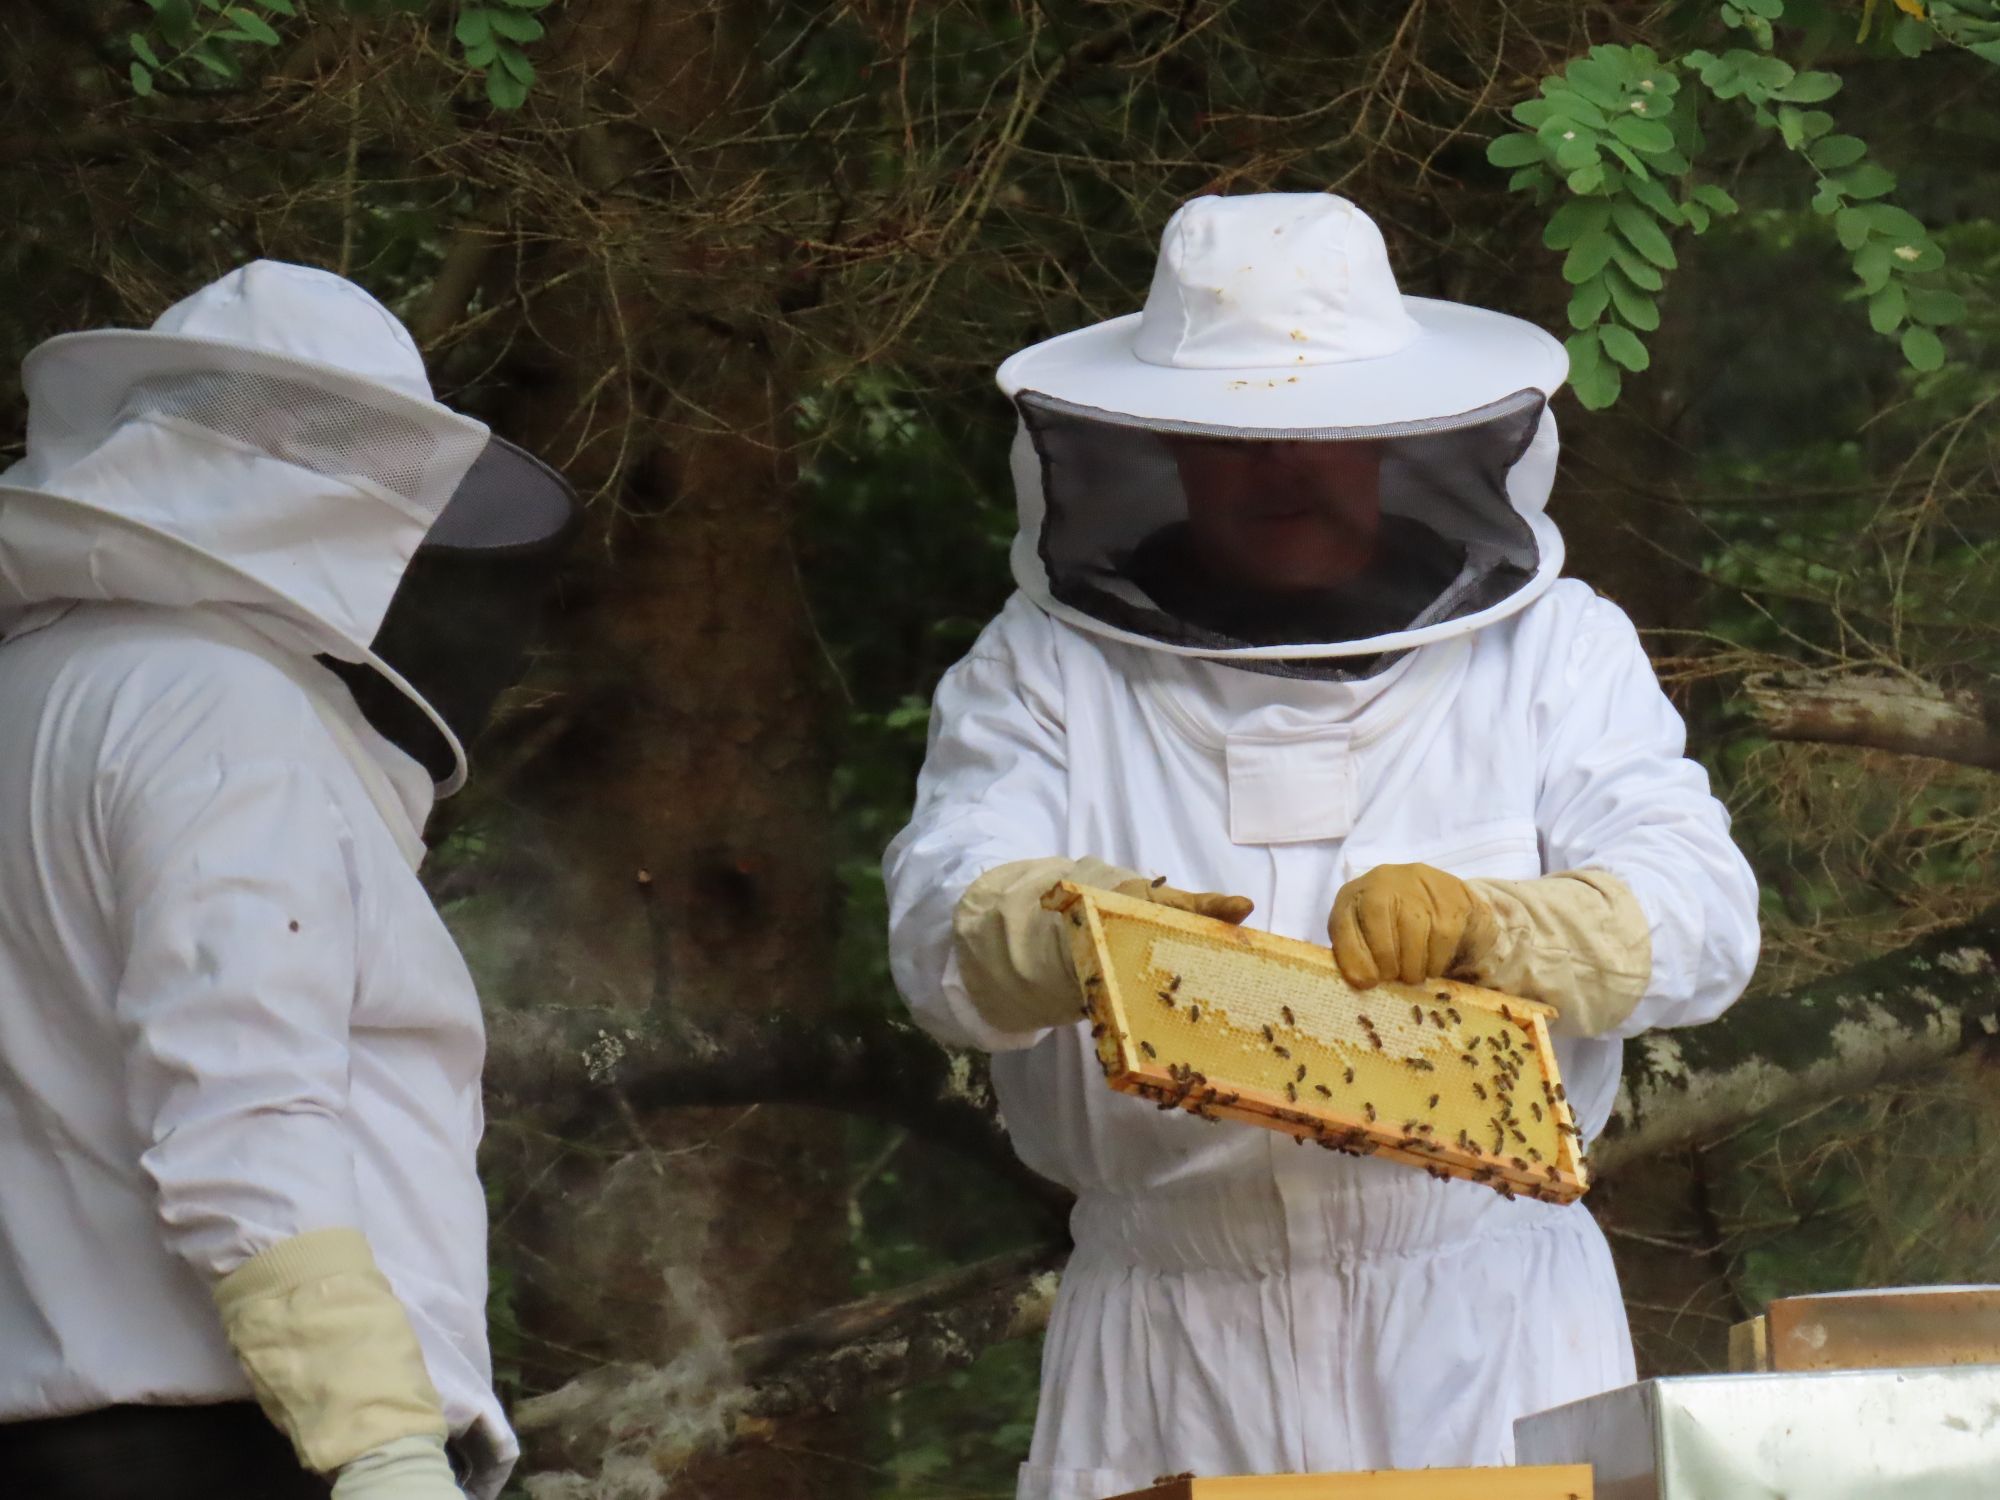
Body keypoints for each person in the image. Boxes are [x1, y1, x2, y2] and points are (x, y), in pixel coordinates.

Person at [884, 194, 1759, 1500]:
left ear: (1395, 438)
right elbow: (938, 930)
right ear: (1166, 447)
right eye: (1237, 438)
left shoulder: (1552, 648)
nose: (1281, 468)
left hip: (1489, 1324)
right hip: (1167, 1331)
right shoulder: (1045, 670)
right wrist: (1073, 926)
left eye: (1319, 434)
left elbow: (1702, 919)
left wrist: (1494, 926)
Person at [0, 261, 577, 1499]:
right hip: (243, 1445)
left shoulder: (39, 691)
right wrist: (379, 1445)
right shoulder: (218, 707)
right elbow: (241, 1101)